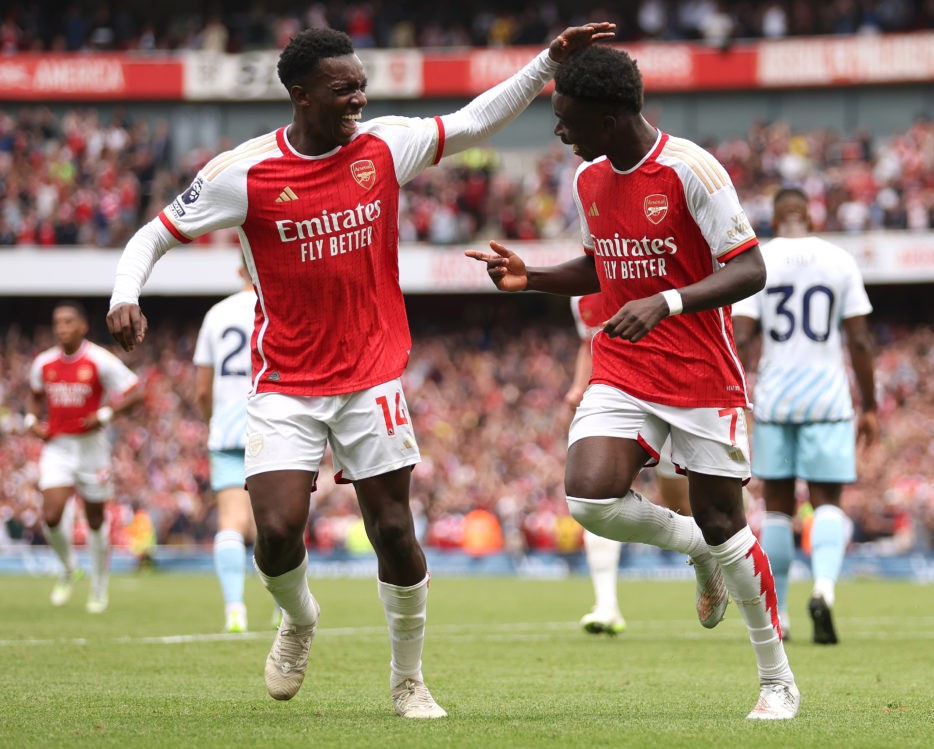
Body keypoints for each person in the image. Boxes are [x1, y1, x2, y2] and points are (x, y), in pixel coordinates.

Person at [105, 22, 616, 718]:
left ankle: (409, 679)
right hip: (285, 380)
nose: (359, 99)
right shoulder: (244, 173)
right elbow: (155, 232)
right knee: (278, 529)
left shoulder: (383, 145)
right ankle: (300, 616)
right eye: (344, 90)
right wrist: (124, 293)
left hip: (371, 374)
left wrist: (546, 62)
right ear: (301, 94)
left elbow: (473, 122)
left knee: (394, 530)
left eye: (361, 87)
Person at [467, 44, 799, 720]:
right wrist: (530, 275)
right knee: (588, 497)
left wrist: (669, 300)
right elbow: (601, 266)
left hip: (702, 374)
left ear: (613, 115)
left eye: (569, 118)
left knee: (726, 525)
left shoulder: (690, 170)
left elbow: (751, 269)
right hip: (624, 368)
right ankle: (693, 546)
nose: (560, 131)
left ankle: (776, 679)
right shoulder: (590, 179)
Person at [732, 186, 878, 645]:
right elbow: (858, 341)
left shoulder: (760, 259)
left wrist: (734, 396)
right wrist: (870, 405)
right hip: (827, 398)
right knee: (827, 502)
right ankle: (825, 590)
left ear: (776, 221)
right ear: (810, 219)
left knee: (777, 509)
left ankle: (782, 615)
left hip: (776, 397)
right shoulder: (838, 260)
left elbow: (741, 338)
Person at [567, 292, 692, 636]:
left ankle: (712, 566)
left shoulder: (646, 265)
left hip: (670, 395)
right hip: (615, 400)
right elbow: (587, 341)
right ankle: (605, 604)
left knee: (684, 505)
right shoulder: (582, 293)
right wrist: (579, 386)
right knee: (601, 495)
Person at [26, 300, 142, 613]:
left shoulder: (99, 360)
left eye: (67, 322)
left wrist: (105, 415)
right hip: (59, 448)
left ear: (82, 326)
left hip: (93, 449)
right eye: (57, 323)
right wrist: (31, 421)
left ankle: (99, 586)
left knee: (94, 519)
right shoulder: (44, 363)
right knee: (51, 514)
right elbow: (34, 396)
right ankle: (67, 568)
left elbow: (137, 391)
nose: (61, 328)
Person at [193, 262, 258, 634]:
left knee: (231, 522)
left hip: (227, 431)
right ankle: (285, 609)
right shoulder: (280, 305)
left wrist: (211, 421)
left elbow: (203, 389)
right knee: (276, 523)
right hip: (274, 427)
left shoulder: (217, 314)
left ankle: (235, 607)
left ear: (238, 270)